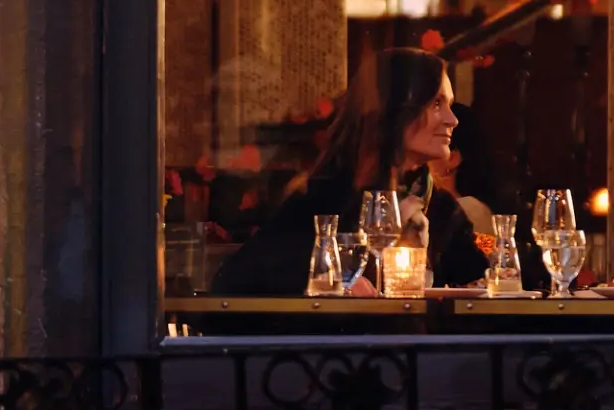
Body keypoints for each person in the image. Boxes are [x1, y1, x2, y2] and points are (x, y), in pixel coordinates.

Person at [218, 48, 539, 296]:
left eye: (450, 105)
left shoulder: (437, 208)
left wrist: (503, 255)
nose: (452, 121)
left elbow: (485, 272)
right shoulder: (325, 196)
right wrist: (331, 277)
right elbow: (237, 282)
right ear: (395, 112)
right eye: (437, 104)